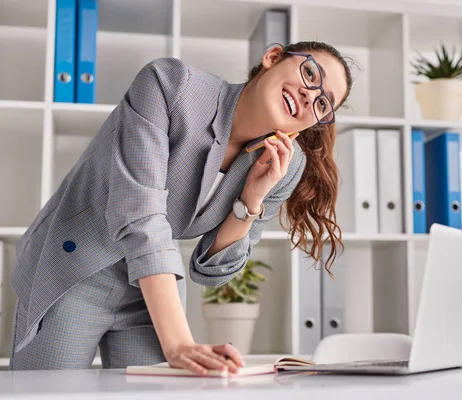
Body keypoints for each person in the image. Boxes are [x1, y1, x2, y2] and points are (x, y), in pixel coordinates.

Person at [8, 41, 353, 375]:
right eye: (310, 73)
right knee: (50, 391)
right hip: (75, 268)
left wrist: (251, 200)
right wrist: (178, 343)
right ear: (273, 57)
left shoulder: (284, 167)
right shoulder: (170, 85)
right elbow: (140, 214)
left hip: (151, 293)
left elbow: (214, 272)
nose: (311, 95)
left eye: (324, 105)